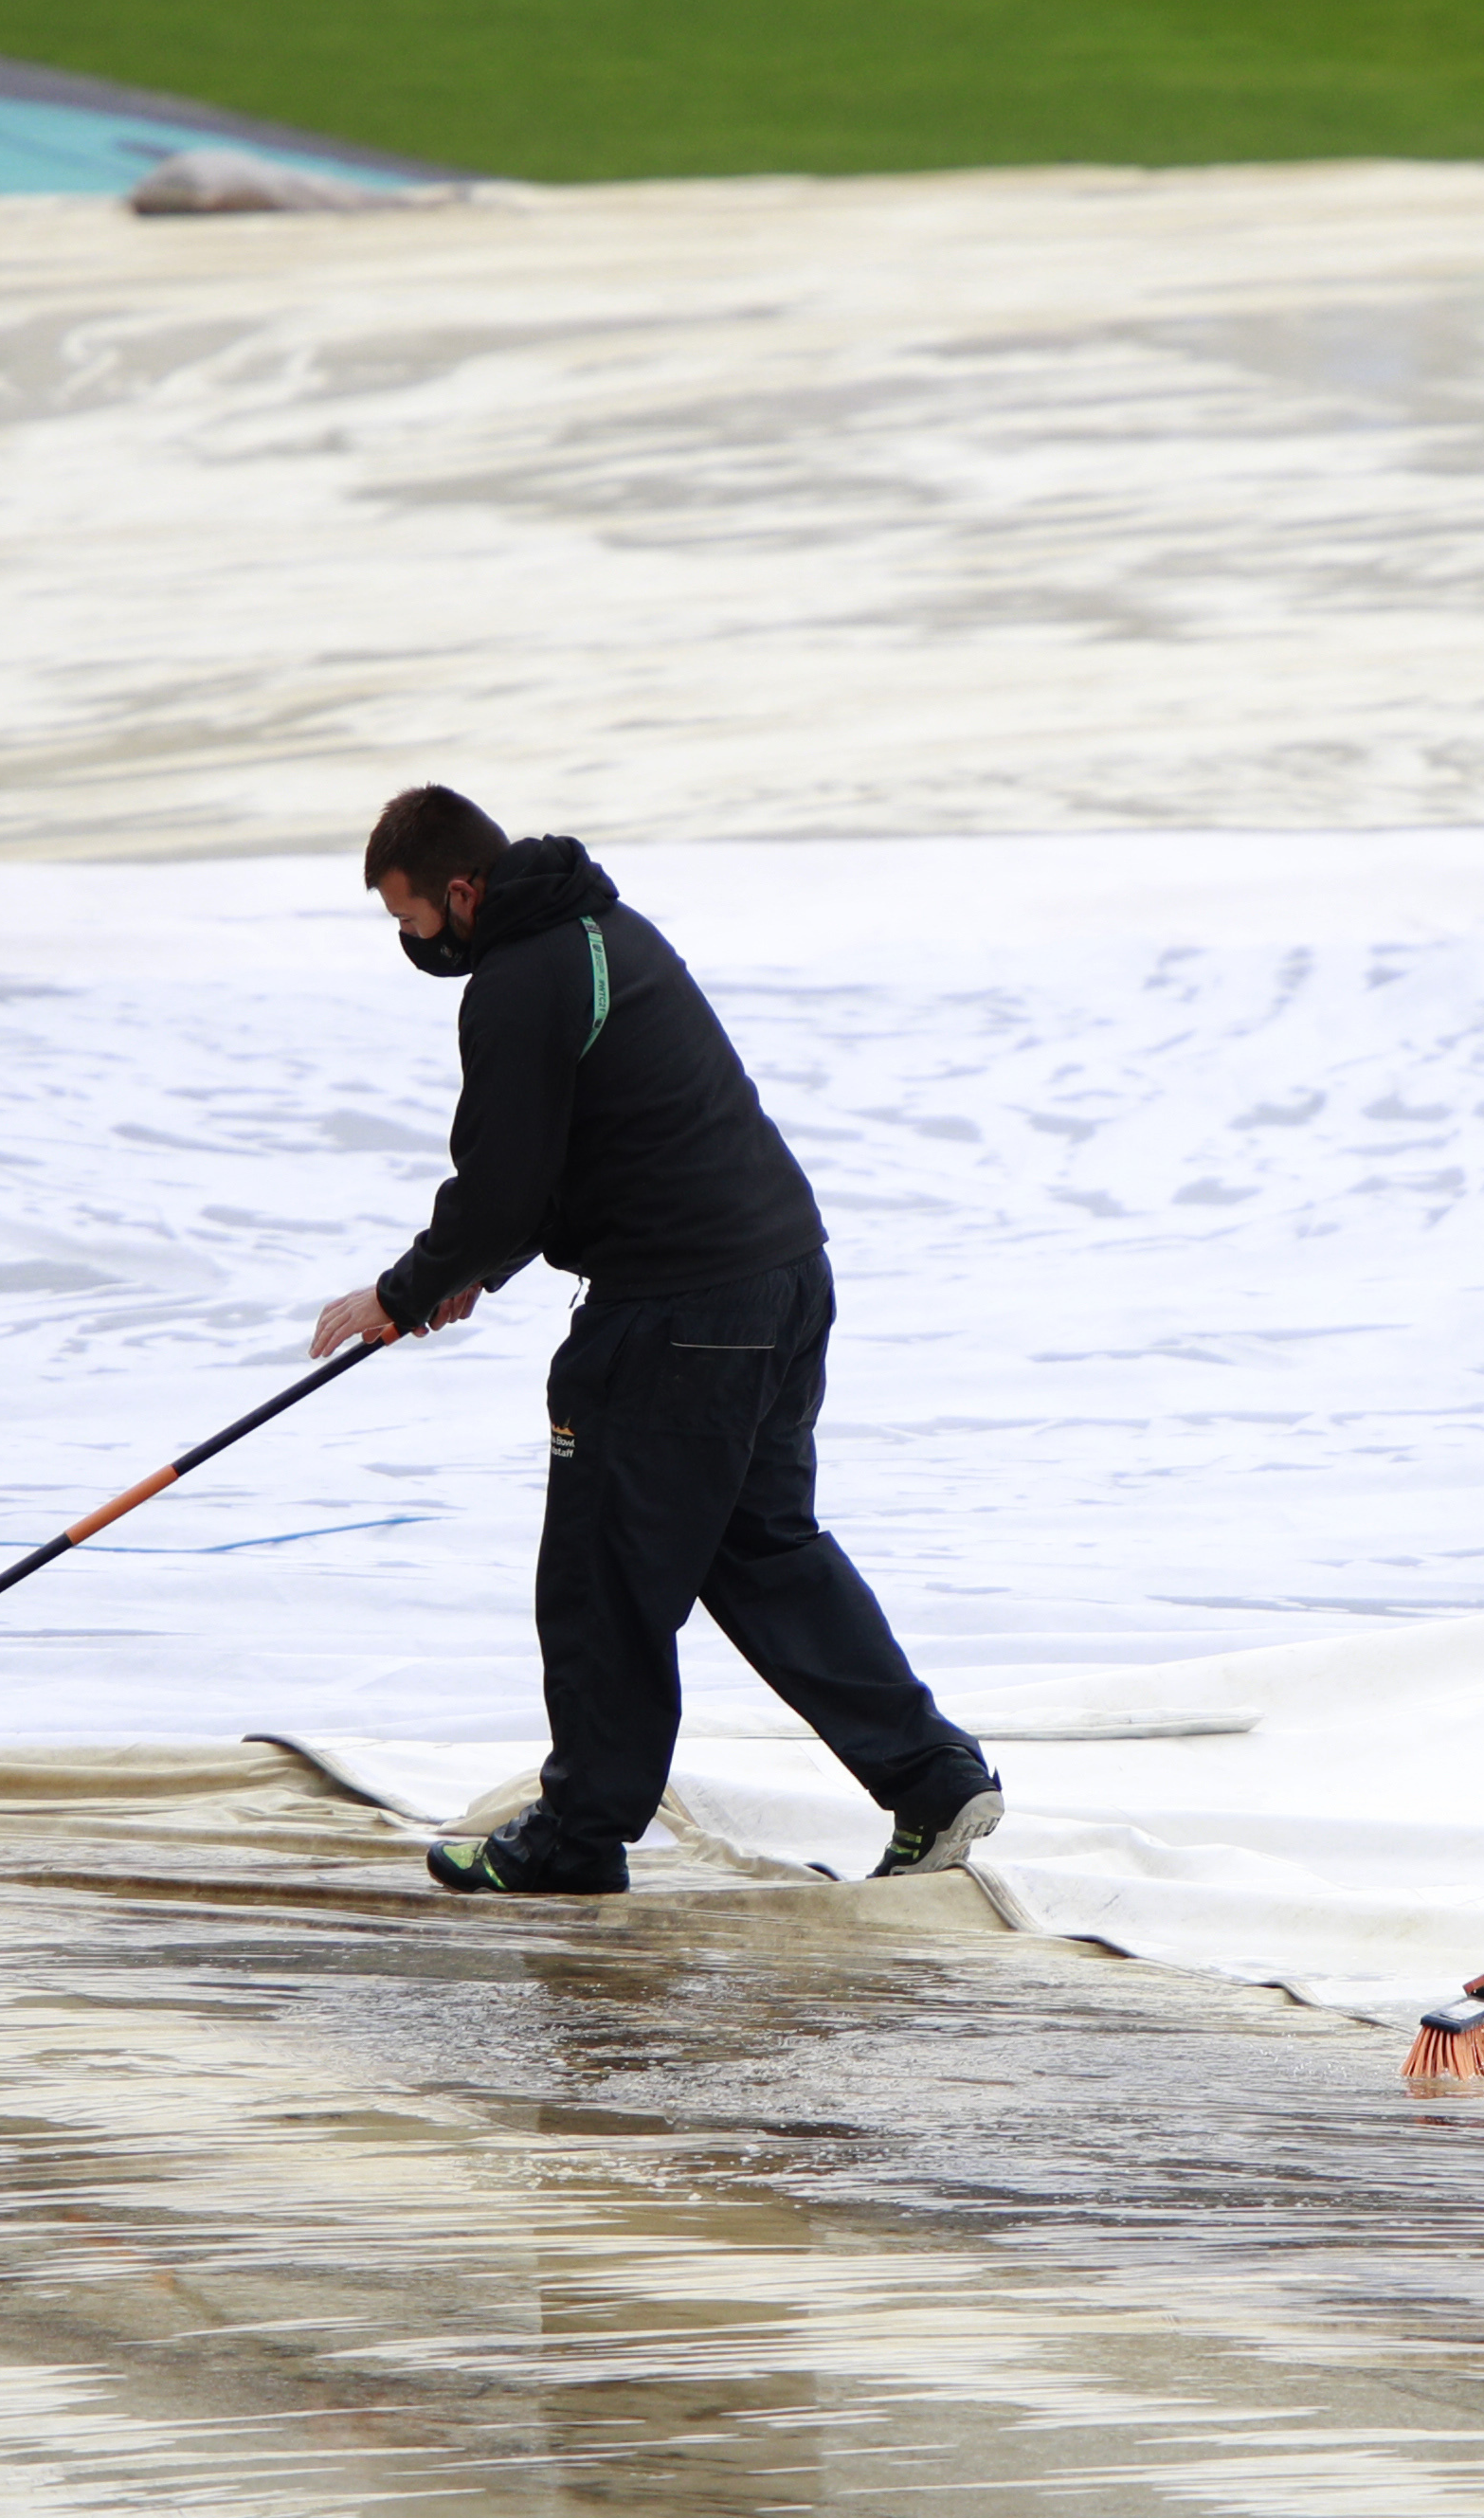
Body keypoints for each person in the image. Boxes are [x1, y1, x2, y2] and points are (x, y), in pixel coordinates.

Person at [312, 787, 1001, 1896]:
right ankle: (932, 1779)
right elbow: (587, 1151)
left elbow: (502, 1184)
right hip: (785, 1276)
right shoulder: (604, 930)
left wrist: (405, 1289)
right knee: (762, 1550)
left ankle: (577, 1837)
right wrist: (478, 1268)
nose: (412, 939)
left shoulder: (516, 980)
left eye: (412, 916)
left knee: (601, 1573)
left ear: (462, 891)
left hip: (681, 1314)